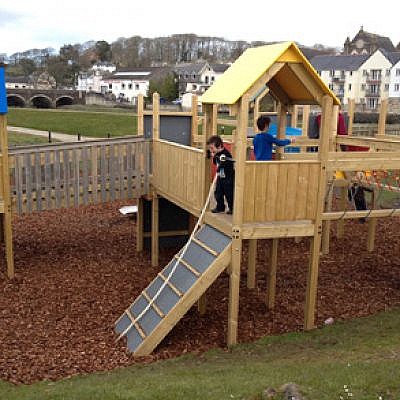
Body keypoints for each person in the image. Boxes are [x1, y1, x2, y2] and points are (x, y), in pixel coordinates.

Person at [207, 135, 234, 214]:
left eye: (212, 148)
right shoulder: (217, 153)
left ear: (219, 146)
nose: (211, 150)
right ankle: (220, 207)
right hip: (220, 176)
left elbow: (225, 164)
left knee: (229, 193)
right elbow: (216, 163)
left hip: (228, 177)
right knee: (218, 192)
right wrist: (214, 156)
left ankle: (232, 208)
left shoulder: (226, 154)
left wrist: (221, 166)